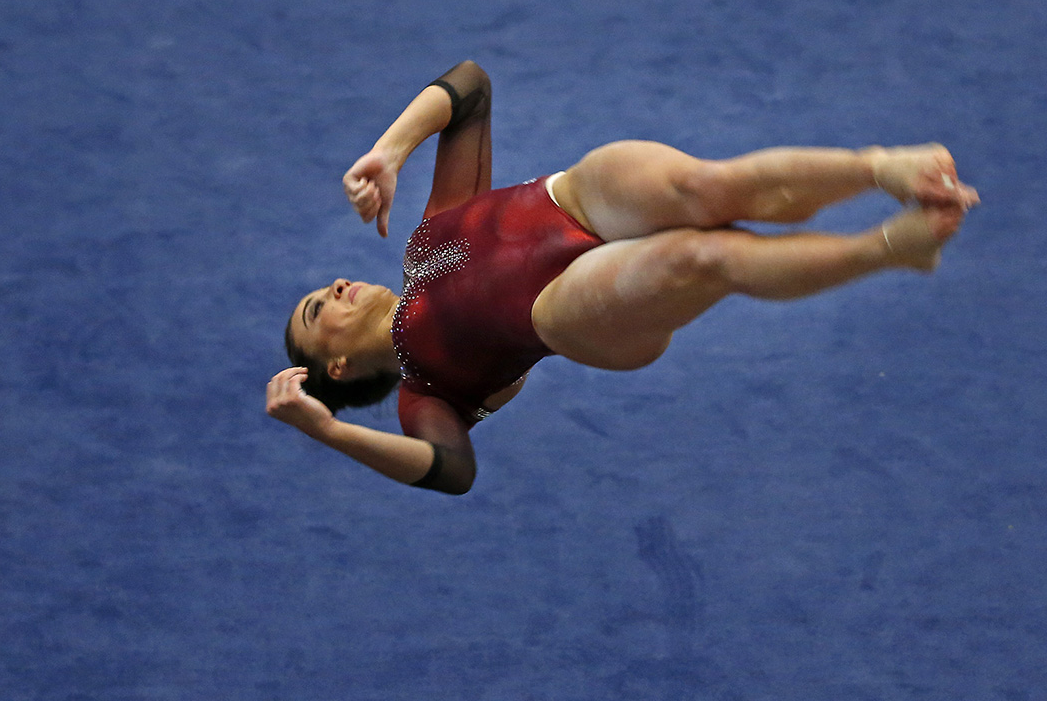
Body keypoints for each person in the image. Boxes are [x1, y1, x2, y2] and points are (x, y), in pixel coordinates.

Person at [266, 60, 978, 495]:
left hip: (571, 198)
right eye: (314, 310)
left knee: (707, 190)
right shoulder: (428, 390)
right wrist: (325, 430)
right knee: (702, 256)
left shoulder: (426, 238)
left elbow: (470, 88)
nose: (332, 288)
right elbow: (448, 470)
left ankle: (880, 166)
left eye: (320, 289)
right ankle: (888, 246)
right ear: (337, 361)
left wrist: (390, 152)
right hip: (570, 310)